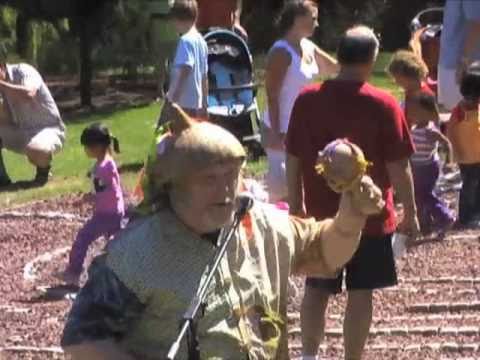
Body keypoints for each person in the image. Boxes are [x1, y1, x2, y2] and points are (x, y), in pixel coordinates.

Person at [60, 103, 384, 359]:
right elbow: (83, 338)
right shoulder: (136, 254)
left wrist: (352, 215)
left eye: (231, 175)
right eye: (209, 179)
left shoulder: (263, 225)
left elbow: (326, 254)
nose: (225, 190)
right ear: (173, 185)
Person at [286, 26, 419, 360]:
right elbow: (398, 165)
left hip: (319, 215)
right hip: (370, 218)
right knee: (362, 292)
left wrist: (295, 203)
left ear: (340, 54)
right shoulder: (384, 104)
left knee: (316, 288)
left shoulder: (308, 99)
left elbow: (293, 157)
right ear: (372, 58)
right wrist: (411, 212)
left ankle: (308, 356)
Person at [263, 0, 338, 202]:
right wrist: (277, 133)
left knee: (302, 186)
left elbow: (336, 69)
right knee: (281, 192)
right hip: (281, 128)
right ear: (297, 19)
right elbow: (271, 95)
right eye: (313, 19)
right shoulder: (281, 52)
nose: (317, 23)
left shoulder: (308, 47)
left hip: (304, 126)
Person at [57, 123, 125, 286]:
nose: (85, 150)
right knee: (116, 245)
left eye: (87, 146)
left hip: (106, 214)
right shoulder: (104, 163)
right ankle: (123, 275)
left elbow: (108, 191)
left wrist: (91, 199)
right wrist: (88, 197)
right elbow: (103, 189)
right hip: (113, 211)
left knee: (83, 237)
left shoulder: (104, 166)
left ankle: (73, 272)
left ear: (98, 146)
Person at [0, 61, 65, 187]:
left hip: (49, 129)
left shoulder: (24, 71)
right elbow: (6, 119)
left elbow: (29, 94)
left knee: (36, 150)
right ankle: (2, 181)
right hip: (21, 131)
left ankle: (43, 173)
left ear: (1, 67)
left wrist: (1, 84)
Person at [409, 93, 455, 236]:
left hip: (428, 168)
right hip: (416, 168)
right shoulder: (414, 127)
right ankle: (425, 223)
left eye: (414, 110)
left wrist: (449, 161)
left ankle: (445, 216)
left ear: (425, 112)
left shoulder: (430, 130)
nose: (410, 112)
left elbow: (446, 143)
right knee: (419, 195)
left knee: (425, 195)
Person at [160, 0, 209, 123]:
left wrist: (173, 100)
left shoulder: (185, 41)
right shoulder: (202, 42)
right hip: (195, 104)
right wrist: (204, 104)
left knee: (170, 138)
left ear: (178, 19)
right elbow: (204, 77)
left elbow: (186, 69)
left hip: (183, 104)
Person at [446, 61, 480, 227]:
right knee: (469, 185)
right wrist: (451, 153)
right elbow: (450, 132)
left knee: (476, 184)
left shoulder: (476, 109)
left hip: (477, 154)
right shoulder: (459, 111)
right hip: (466, 157)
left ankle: (476, 212)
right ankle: (466, 217)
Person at [438, 0, 480, 111]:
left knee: (465, 116)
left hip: (462, 67)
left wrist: (464, 62)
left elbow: (477, 24)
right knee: (455, 114)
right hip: (450, 62)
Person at [387, 50, 435, 128]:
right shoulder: (412, 91)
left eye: (397, 78)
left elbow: (421, 128)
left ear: (408, 77)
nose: (395, 81)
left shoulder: (421, 97)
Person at [148, 0, 179, 99]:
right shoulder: (154, 4)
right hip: (159, 36)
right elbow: (151, 17)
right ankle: (160, 91)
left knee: (174, 65)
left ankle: (172, 91)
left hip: (173, 36)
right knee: (161, 66)